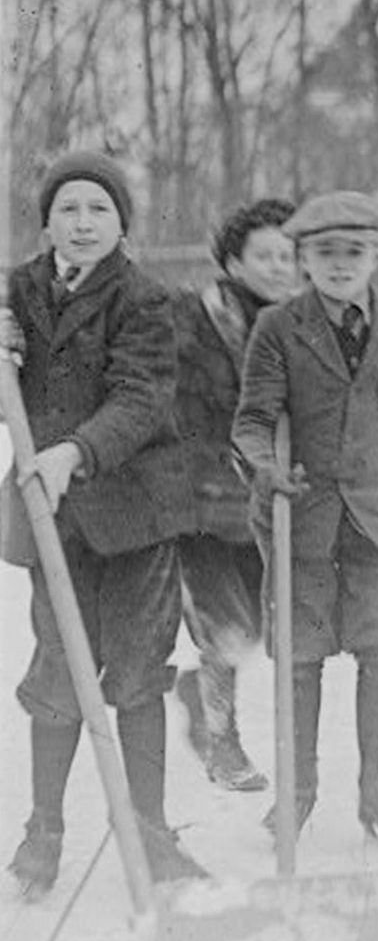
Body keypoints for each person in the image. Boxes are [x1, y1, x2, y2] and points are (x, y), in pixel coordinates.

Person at [171, 200, 378, 792]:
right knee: (229, 631)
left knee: (269, 630)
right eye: (262, 256)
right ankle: (220, 737)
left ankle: (208, 695)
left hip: (275, 505)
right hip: (204, 497)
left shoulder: (308, 316)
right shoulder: (195, 317)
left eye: (284, 256)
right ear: (232, 262)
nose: (276, 268)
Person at [0, 150, 209, 894]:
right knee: (57, 672)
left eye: (98, 209)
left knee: (135, 671)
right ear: (47, 219)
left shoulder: (147, 300)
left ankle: (149, 832)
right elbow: (11, 401)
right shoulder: (15, 292)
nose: (82, 223)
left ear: (121, 222)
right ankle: (43, 831)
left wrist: (73, 453)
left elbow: (141, 400)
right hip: (49, 518)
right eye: (68, 209)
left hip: (134, 516)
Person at [231, 191, 378, 845]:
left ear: (377, 255)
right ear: (303, 258)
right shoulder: (278, 327)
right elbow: (252, 421)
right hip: (304, 518)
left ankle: (374, 782)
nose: (339, 264)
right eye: (324, 252)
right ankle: (299, 787)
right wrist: (266, 468)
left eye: (353, 252)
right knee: (303, 654)